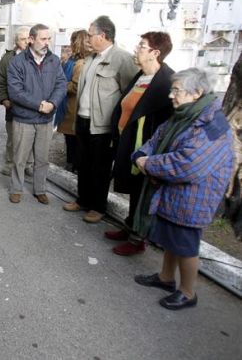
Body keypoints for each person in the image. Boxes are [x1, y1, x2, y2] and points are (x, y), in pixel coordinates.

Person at [133, 68, 234, 310]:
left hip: (193, 198)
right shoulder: (185, 114)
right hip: (173, 193)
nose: (171, 95)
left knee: (186, 246)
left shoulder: (213, 125)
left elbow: (188, 165)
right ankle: (166, 278)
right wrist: (141, 154)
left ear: (197, 92)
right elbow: (158, 137)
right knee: (171, 240)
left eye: (177, 90)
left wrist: (149, 163)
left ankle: (188, 292)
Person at [63, 15, 138, 223]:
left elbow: (129, 93)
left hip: (103, 126)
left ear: (102, 35)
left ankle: (98, 206)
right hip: (83, 120)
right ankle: (83, 200)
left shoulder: (121, 59)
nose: (87, 38)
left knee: (100, 167)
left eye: (90, 34)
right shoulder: (90, 58)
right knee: (83, 163)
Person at [106, 32, 175, 256]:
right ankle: (129, 227)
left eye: (142, 46)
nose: (137, 49)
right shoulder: (141, 76)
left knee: (144, 193)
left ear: (155, 53)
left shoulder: (166, 83)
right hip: (129, 143)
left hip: (146, 149)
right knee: (134, 190)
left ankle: (138, 240)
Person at [7, 24, 66, 204]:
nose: (46, 43)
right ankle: (16, 188)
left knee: (42, 158)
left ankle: (40, 189)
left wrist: (53, 103)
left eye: (48, 39)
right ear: (31, 39)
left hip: (46, 119)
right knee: (20, 157)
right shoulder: (17, 62)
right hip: (24, 119)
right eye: (43, 39)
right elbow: (15, 92)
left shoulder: (54, 60)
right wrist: (39, 105)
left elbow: (61, 84)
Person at [0, 27, 29, 175]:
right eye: (23, 39)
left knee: (30, 139)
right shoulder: (8, 58)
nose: (27, 42)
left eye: (29, 38)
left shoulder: (38, 56)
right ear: (16, 41)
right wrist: (4, 99)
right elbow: (0, 80)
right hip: (13, 106)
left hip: (32, 107)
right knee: (13, 138)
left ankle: (28, 165)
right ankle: (10, 163)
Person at [55, 30, 89, 172]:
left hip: (72, 108)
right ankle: (72, 164)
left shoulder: (79, 63)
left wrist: (60, 85)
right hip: (70, 107)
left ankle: (73, 166)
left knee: (74, 141)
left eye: (72, 41)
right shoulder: (74, 61)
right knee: (71, 141)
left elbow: (75, 86)